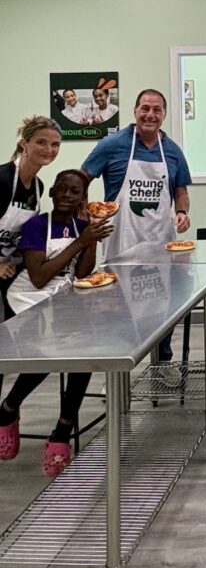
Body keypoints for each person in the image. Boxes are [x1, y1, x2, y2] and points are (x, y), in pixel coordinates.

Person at [0, 170, 114, 476]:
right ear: (51, 193)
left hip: (63, 296)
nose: (67, 194)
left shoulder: (82, 226)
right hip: (30, 299)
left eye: (74, 191)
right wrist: (81, 243)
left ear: (82, 199)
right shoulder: (36, 225)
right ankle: (9, 408)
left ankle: (63, 430)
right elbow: (39, 277)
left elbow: (81, 274)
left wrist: (90, 238)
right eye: (62, 189)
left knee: (86, 354)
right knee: (47, 356)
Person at [81, 89, 191, 373]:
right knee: (116, 306)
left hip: (160, 241)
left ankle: (162, 364)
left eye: (156, 110)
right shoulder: (112, 144)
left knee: (163, 305)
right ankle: (115, 371)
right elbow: (80, 179)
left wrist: (182, 212)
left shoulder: (173, 150)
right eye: (145, 108)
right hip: (121, 240)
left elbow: (180, 191)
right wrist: (85, 215)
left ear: (164, 115)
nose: (150, 115)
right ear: (135, 111)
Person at [1, 116, 62, 322]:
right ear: (24, 144)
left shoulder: (38, 186)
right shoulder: (3, 179)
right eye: (41, 142)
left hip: (8, 268)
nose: (49, 149)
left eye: (55, 144)